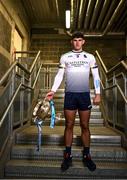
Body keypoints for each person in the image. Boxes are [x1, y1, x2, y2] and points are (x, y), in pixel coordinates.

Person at [46, 31, 101, 172]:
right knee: (69, 125)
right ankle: (67, 155)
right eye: (75, 40)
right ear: (72, 42)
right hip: (70, 95)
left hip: (84, 95)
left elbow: (95, 75)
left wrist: (98, 93)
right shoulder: (65, 57)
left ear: (83, 42)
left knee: (85, 125)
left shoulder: (90, 57)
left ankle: (87, 156)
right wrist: (52, 90)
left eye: (80, 40)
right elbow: (59, 75)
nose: (77, 42)